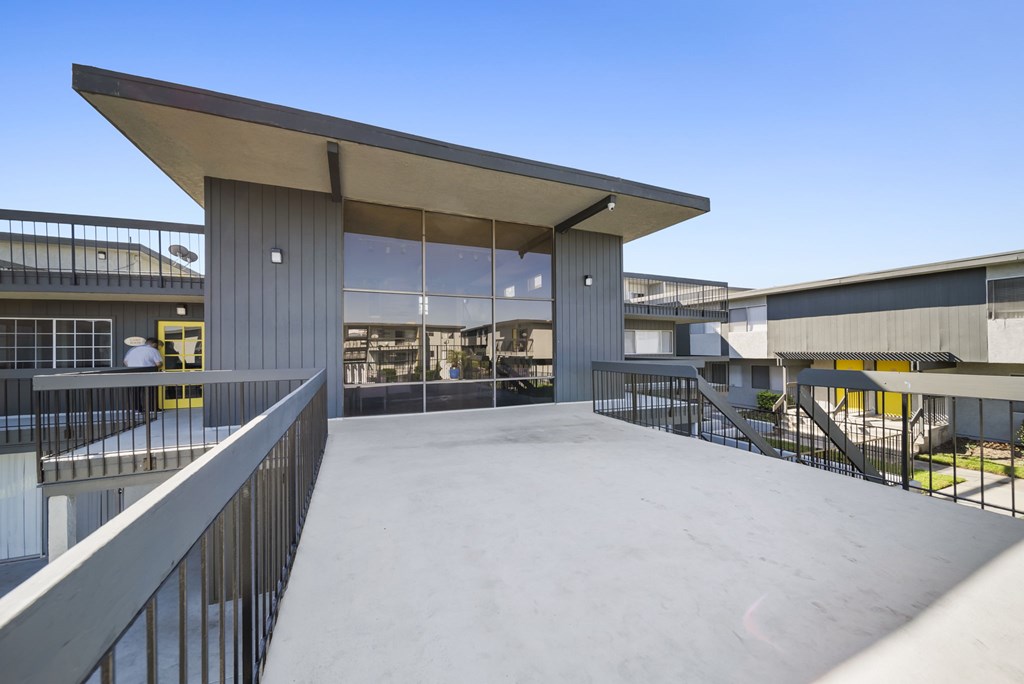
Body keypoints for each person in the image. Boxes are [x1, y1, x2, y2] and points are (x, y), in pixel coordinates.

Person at [124, 338, 163, 416]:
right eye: (159, 346)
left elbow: (125, 361)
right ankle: (152, 408)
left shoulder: (133, 349)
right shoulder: (153, 350)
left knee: (136, 391)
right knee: (150, 390)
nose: (159, 348)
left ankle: (137, 409)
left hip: (132, 372)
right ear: (154, 344)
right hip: (147, 372)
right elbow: (158, 363)